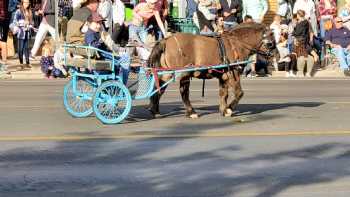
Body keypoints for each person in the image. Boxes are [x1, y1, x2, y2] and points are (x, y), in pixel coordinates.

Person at [84, 13, 130, 84]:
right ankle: (122, 84)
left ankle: (119, 84)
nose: (99, 25)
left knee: (125, 57)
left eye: (100, 23)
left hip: (102, 56)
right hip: (100, 59)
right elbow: (93, 47)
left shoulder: (96, 33)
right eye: (96, 23)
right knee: (125, 59)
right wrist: (101, 40)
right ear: (89, 23)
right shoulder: (90, 34)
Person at [13, 0, 35, 68]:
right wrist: (22, 23)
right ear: (22, 3)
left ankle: (27, 63)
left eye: (28, 2)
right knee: (20, 49)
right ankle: (21, 63)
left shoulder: (30, 11)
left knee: (27, 48)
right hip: (21, 33)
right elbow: (15, 21)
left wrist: (31, 25)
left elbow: (32, 22)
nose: (27, 4)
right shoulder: (18, 11)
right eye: (25, 2)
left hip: (27, 32)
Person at [0, 0, 10, 70]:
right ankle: (3, 63)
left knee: (3, 42)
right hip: (2, 19)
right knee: (3, 42)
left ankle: (4, 63)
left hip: (4, 19)